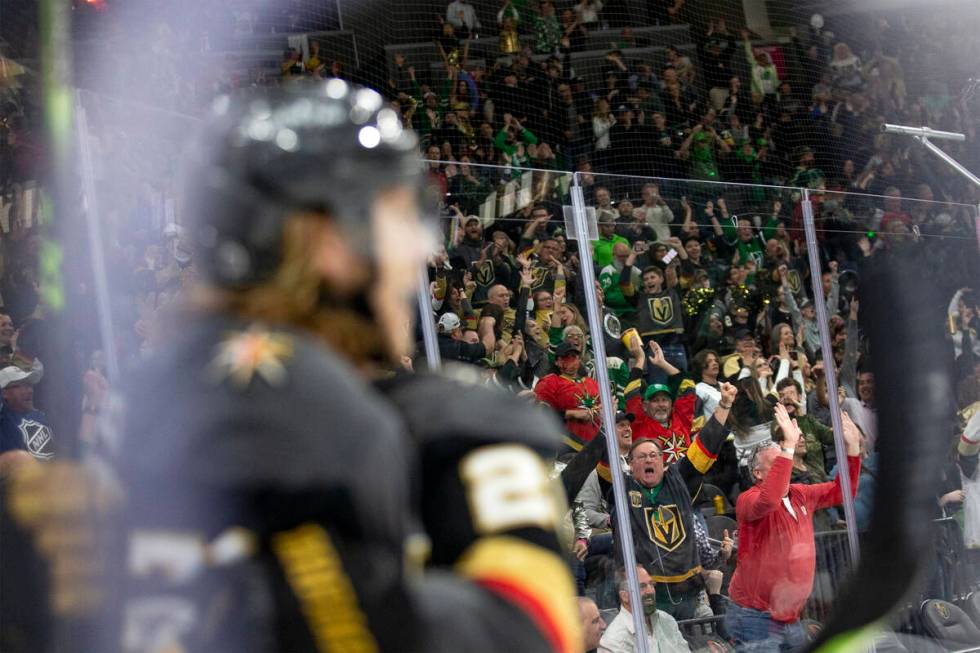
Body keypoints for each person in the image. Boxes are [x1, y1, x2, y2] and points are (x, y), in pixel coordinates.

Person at [100, 82, 581, 653]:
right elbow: (526, 631)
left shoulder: (145, 412)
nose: (416, 257)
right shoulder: (409, 419)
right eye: (398, 221)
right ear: (329, 237)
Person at [725, 403, 862, 651]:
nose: (786, 464)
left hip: (790, 617)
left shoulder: (801, 494)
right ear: (757, 472)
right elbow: (769, 500)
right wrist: (787, 447)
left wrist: (852, 450)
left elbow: (844, 491)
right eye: (779, 462)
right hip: (755, 616)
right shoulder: (749, 500)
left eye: (786, 460)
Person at [603, 382, 737, 619]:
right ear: (631, 464)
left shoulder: (678, 478)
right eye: (642, 457)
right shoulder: (623, 487)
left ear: (663, 461)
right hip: (647, 593)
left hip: (688, 591)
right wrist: (606, 429)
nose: (649, 461)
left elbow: (705, 445)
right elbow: (604, 463)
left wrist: (724, 405)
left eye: (654, 455)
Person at [624, 339, 698, 463]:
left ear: (671, 404)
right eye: (655, 400)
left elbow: (688, 387)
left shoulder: (681, 419)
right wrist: (641, 359)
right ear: (645, 406)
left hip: (685, 479)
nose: (661, 405)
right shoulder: (639, 424)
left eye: (665, 400)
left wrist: (662, 363)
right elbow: (631, 392)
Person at [597, 566, 691, 653]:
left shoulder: (666, 620)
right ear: (624, 596)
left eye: (651, 584)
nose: (650, 591)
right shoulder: (612, 641)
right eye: (642, 587)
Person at [536, 341, 603, 451]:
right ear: (557, 361)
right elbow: (540, 413)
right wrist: (571, 413)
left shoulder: (592, 382)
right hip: (565, 444)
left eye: (574, 356)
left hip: (595, 446)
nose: (571, 360)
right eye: (566, 357)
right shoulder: (550, 382)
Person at [0, 364, 52, 461]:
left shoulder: (40, 415)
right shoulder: (5, 423)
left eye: (29, 385)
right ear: (4, 393)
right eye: (20, 386)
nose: (29, 391)